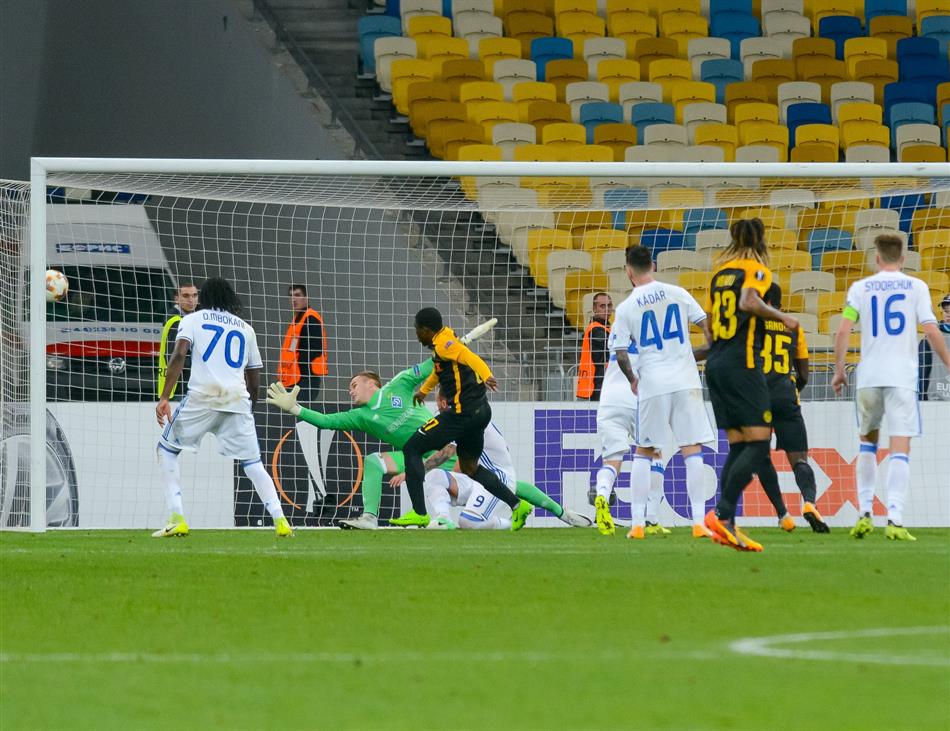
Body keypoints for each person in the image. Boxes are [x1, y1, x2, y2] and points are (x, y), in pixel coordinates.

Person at [266, 355, 581, 529]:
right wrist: (296, 409)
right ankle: (371, 518)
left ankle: (559, 511)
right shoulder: (360, 416)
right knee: (374, 462)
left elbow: (432, 365)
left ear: (372, 384)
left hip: (443, 445)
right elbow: (326, 422)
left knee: (497, 480)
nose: (350, 390)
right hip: (415, 454)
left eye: (354, 384)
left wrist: (450, 350)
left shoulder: (399, 385)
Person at [832, 235, 950, 542]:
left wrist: (839, 369)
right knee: (900, 447)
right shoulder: (916, 287)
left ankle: (864, 513)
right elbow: (931, 330)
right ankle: (895, 518)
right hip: (901, 378)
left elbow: (843, 330)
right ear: (903, 259)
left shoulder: (860, 288)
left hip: (869, 377)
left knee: (867, 444)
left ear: (877, 258)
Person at [154, 277, 292, 538]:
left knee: (166, 450)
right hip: (237, 400)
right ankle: (281, 520)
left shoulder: (192, 320)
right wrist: (249, 407)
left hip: (202, 397)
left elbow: (179, 355)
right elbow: (254, 376)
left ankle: (177, 518)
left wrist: (164, 397)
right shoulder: (246, 328)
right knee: (253, 463)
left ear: (204, 298)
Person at [702, 219, 800, 552]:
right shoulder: (756, 270)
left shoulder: (719, 274)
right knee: (759, 443)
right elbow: (748, 301)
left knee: (739, 445)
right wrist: (783, 317)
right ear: (761, 239)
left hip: (716, 364)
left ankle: (724, 520)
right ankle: (722, 515)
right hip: (742, 364)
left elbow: (709, 326)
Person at [611, 245, 716, 540]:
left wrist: (632, 379)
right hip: (686, 381)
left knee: (644, 452)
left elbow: (620, 353)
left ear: (628, 271)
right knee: (692, 449)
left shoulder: (626, 307)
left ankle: (637, 524)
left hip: (653, 383)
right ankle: (698, 522)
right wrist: (694, 353)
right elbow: (707, 328)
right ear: (653, 266)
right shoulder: (678, 293)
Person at [397, 308, 531, 529]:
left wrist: (487, 375)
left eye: (417, 330)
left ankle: (420, 513)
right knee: (470, 467)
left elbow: (471, 357)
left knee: (412, 447)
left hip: (462, 414)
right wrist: (423, 391)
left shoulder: (445, 344)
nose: (416, 335)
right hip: (480, 412)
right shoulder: (445, 339)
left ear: (426, 330)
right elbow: (439, 371)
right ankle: (517, 505)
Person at [392, 392, 591, 530]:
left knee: (468, 523)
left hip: (498, 479)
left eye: (438, 404)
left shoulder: (465, 419)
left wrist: (413, 470)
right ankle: (443, 519)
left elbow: (446, 454)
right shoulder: (465, 416)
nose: (438, 409)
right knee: (435, 476)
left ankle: (508, 524)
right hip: (479, 479)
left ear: (444, 403)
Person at [760, 284, 829, 533]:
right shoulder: (792, 325)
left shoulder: (753, 323)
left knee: (761, 457)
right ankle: (809, 502)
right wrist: (790, 390)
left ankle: (783, 514)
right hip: (786, 395)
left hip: (758, 396)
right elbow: (804, 374)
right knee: (799, 459)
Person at [277, 284, 327, 404]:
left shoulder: (310, 318)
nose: (294, 299)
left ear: (306, 298)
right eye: (291, 296)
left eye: (297, 295)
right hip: (293, 379)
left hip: (305, 379)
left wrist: (301, 363)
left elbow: (316, 348)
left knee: (298, 410)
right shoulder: (298, 319)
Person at [157, 282, 198, 399]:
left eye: (194, 295)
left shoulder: (193, 318)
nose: (191, 300)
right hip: (180, 385)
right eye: (186, 296)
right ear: (176, 299)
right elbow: (172, 354)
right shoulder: (175, 320)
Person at [576, 292, 613, 401]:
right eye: (602, 306)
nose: (607, 309)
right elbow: (605, 360)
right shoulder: (597, 330)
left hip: (594, 387)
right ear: (594, 309)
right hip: (597, 387)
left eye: (609, 305)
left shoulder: (603, 328)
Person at [918, 293, 950, 401]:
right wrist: (922, 400)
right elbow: (922, 374)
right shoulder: (930, 339)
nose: (948, 314)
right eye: (946, 310)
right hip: (934, 401)